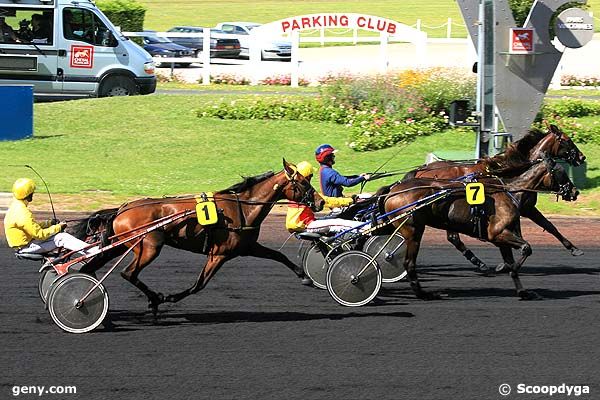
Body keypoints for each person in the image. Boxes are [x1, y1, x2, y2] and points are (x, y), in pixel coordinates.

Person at [4, 178, 99, 257]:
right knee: (62, 238)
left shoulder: (15, 207)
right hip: (28, 247)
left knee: (58, 235)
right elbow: (40, 234)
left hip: (26, 243)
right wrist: (58, 227)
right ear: (29, 195)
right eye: (33, 192)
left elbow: (32, 228)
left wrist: (49, 223)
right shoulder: (23, 213)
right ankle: (93, 251)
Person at [286, 161, 369, 234]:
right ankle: (368, 229)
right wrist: (350, 200)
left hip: (303, 223)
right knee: (339, 223)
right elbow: (327, 201)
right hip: (305, 224)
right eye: (311, 175)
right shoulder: (303, 192)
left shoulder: (296, 191)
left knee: (335, 222)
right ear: (307, 176)